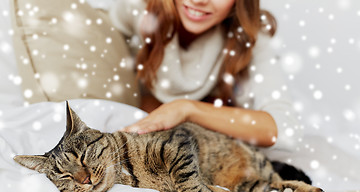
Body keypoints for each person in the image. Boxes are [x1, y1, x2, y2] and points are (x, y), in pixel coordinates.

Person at [109, 0, 302, 152]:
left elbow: (286, 131)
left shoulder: (250, 36)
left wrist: (186, 109)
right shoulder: (137, 8)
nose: (198, 0)